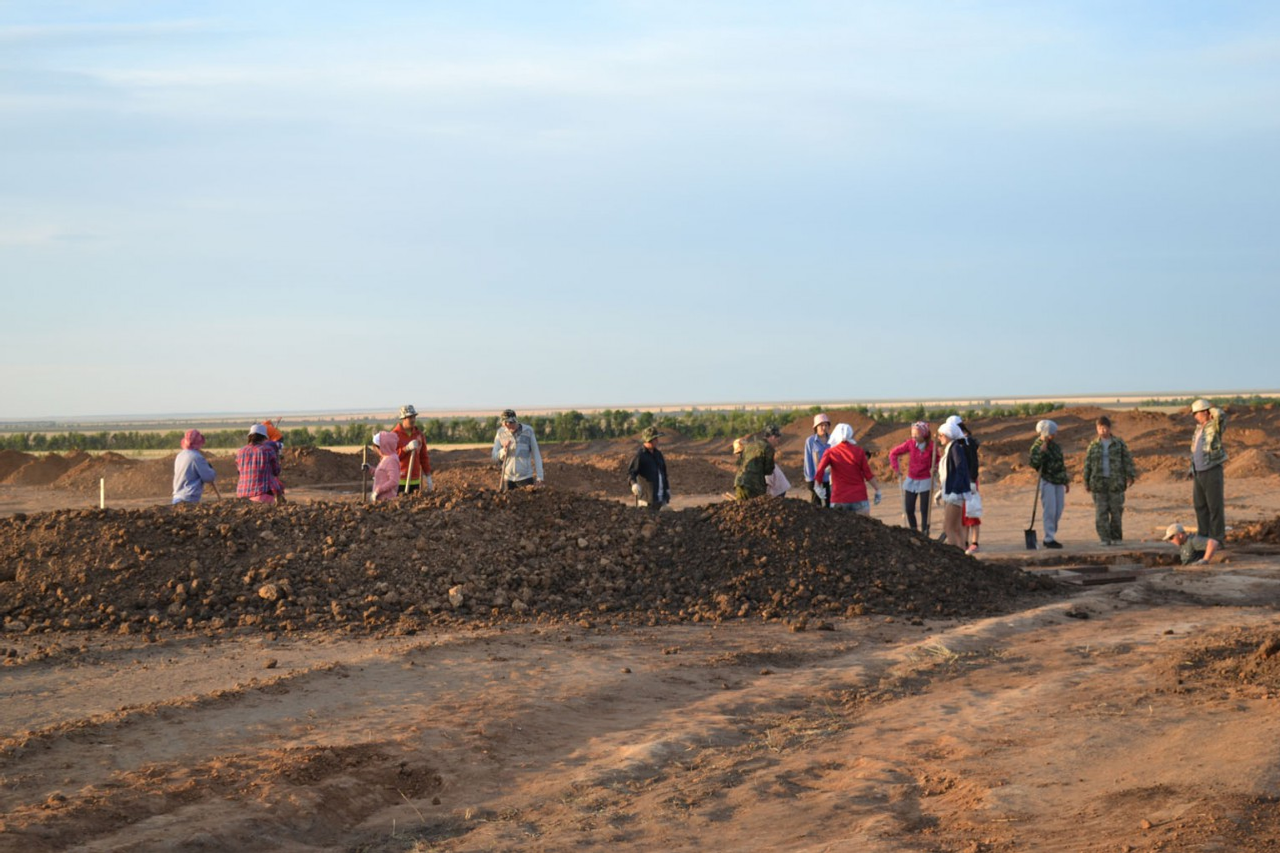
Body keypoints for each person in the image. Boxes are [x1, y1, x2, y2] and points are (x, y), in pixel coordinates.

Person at [1083, 415, 1137, 545]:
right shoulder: (1093, 446)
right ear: (1097, 429)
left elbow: (1127, 460)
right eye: (1100, 428)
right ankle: (1104, 538)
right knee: (1101, 512)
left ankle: (1116, 538)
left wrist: (1130, 475)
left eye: (1105, 428)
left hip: (1116, 483)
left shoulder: (1118, 443)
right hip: (1098, 483)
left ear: (1109, 428)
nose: (1103, 431)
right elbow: (1088, 464)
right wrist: (1086, 481)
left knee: (1116, 512)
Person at [814, 423, 881, 514]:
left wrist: (817, 485)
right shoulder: (859, 452)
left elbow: (820, 469)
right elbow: (868, 474)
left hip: (839, 499)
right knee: (862, 523)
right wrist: (877, 490)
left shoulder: (831, 452)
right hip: (859, 498)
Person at [1189, 398, 1227, 542]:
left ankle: (1217, 538)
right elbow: (1194, 450)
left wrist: (1211, 410)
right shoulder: (1198, 429)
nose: (1195, 416)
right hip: (1198, 472)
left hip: (1211, 470)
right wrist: (1191, 469)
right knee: (1200, 505)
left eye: (1197, 413)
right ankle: (1203, 536)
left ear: (1205, 412)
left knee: (1214, 506)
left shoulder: (1214, 425)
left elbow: (1221, 415)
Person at [888, 422, 937, 534]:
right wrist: (896, 468)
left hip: (926, 480)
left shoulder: (931, 446)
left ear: (924, 434)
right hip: (912, 479)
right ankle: (913, 531)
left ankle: (925, 532)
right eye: (912, 434)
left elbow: (937, 458)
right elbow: (893, 453)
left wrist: (935, 467)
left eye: (916, 434)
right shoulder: (910, 443)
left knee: (925, 510)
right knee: (909, 509)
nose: (913, 436)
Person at [1029, 419, 1068, 549]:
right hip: (1047, 481)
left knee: (1058, 510)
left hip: (1058, 481)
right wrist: (1041, 452)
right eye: (1053, 432)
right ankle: (1049, 538)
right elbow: (1034, 463)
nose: (1055, 434)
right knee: (1050, 510)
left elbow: (1061, 464)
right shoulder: (1037, 446)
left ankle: (1051, 534)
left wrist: (1065, 480)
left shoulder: (1055, 446)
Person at [947, 416, 983, 553]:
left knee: (972, 512)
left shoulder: (968, 441)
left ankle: (974, 542)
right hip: (961, 481)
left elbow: (973, 463)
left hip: (970, 481)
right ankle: (965, 541)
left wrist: (972, 480)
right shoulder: (959, 441)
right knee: (963, 514)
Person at [934, 422, 971, 548]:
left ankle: (954, 554)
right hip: (951, 491)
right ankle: (962, 553)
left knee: (948, 528)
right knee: (956, 527)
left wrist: (955, 491)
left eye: (941, 435)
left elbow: (961, 469)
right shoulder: (951, 447)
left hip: (955, 494)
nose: (939, 438)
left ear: (948, 435)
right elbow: (949, 473)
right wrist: (941, 491)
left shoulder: (955, 448)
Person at [493, 409, 543, 490]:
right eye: (503, 423)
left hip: (525, 478)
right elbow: (494, 456)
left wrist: (540, 477)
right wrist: (503, 451)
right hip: (507, 479)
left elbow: (536, 455)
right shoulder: (500, 433)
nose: (504, 425)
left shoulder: (528, 431)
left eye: (507, 422)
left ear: (513, 421)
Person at [236, 423, 283, 504]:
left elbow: (239, 471)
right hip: (262, 493)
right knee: (276, 486)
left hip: (242, 494)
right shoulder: (268, 450)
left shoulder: (240, 451)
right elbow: (276, 471)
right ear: (264, 438)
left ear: (249, 437)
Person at [733, 425, 782, 500]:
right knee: (754, 507)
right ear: (772, 437)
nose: (777, 443)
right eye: (777, 440)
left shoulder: (749, 445)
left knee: (741, 507)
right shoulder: (768, 447)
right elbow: (768, 470)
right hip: (754, 486)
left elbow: (739, 463)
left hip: (739, 483)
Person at [392, 404, 433, 494]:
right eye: (410, 417)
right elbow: (391, 457)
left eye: (414, 417)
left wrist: (428, 476)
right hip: (399, 481)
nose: (413, 420)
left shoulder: (419, 435)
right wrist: (406, 449)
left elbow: (423, 457)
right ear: (403, 418)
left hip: (415, 481)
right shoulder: (394, 435)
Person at [628, 426, 670, 511]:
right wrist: (634, 484)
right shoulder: (640, 456)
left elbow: (664, 473)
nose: (657, 441)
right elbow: (631, 472)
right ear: (649, 440)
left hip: (661, 499)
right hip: (647, 500)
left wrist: (667, 489)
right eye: (655, 439)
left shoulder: (658, 454)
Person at [172, 429, 216, 504]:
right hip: (189, 498)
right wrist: (211, 470)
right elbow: (208, 477)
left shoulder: (180, 455)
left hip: (177, 497)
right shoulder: (197, 457)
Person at [803, 414, 833, 507]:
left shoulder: (833, 440)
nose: (823, 428)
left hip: (830, 479)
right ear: (816, 427)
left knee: (830, 506)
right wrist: (810, 480)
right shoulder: (810, 441)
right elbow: (808, 461)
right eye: (821, 425)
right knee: (816, 506)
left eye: (826, 425)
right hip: (816, 479)